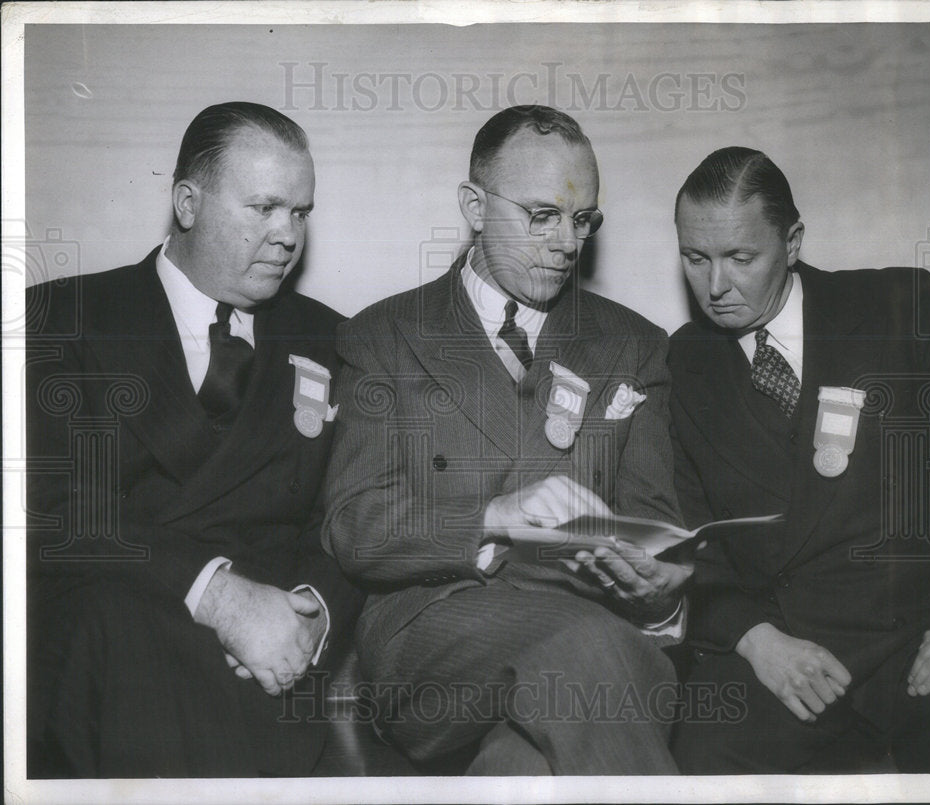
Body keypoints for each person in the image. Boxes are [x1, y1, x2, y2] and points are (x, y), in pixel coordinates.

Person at [323, 105, 692, 775]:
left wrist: (663, 585)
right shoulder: (385, 334)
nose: (566, 244)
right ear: (473, 204)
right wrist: (493, 517)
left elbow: (655, 523)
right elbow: (354, 527)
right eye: (541, 215)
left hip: (584, 648)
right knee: (593, 654)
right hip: (431, 639)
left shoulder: (636, 347)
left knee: (523, 767)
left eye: (582, 221)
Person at [26, 101, 363, 777]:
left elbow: (351, 517)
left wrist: (312, 614)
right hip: (114, 646)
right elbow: (57, 506)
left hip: (263, 670)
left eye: (300, 212)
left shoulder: (333, 338)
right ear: (187, 202)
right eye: (264, 207)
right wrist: (216, 594)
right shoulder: (62, 316)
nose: (286, 235)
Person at [667, 146, 930, 773]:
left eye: (741, 258)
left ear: (794, 242)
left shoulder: (901, 304)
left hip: (929, 634)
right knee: (703, 752)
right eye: (696, 259)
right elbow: (683, 541)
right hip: (789, 647)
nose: (716, 286)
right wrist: (758, 643)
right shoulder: (680, 365)